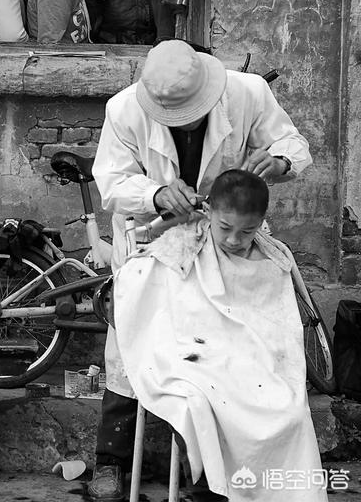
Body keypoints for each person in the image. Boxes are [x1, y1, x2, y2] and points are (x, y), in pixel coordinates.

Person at [88, 39, 312, 502]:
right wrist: (154, 193)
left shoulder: (247, 93)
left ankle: (216, 473)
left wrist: (279, 161)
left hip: (225, 243)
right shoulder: (124, 109)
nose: (180, 122)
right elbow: (111, 181)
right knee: (133, 342)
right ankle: (111, 459)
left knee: (224, 354)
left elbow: (294, 144)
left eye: (189, 114)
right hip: (156, 239)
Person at [113, 169, 327, 501]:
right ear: (209, 211)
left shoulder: (271, 258)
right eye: (225, 228)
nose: (233, 240)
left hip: (255, 359)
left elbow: (277, 324)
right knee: (198, 404)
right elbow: (142, 291)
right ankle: (210, 491)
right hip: (196, 355)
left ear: (261, 223)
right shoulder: (181, 248)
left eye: (247, 231)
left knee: (290, 410)